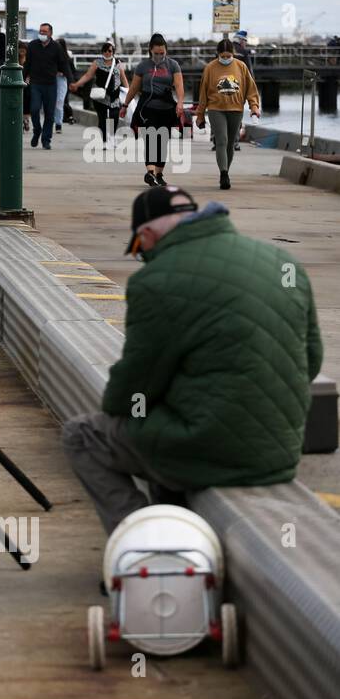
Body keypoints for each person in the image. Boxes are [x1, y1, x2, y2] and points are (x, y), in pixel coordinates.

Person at [62, 185, 322, 534]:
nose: (142, 256)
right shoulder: (283, 262)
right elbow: (312, 360)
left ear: (148, 233)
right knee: (164, 428)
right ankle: (177, 527)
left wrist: (124, 404)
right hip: (280, 454)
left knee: (82, 436)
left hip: (207, 451)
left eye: (139, 248)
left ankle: (144, 541)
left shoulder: (155, 281)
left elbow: (134, 388)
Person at [119, 33, 185, 186]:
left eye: (162, 53)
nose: (159, 56)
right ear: (150, 50)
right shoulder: (143, 66)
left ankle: (159, 174)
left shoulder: (173, 65)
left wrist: (180, 103)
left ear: (166, 51)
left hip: (167, 108)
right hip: (147, 108)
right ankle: (150, 173)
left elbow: (179, 86)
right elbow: (134, 87)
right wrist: (125, 105)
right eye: (156, 53)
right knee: (150, 140)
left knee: (162, 142)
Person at [194, 39, 261, 190]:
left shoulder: (241, 66)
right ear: (218, 54)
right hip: (215, 109)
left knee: (231, 143)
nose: (225, 58)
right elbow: (203, 93)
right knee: (222, 141)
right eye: (222, 56)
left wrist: (254, 107)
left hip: (236, 109)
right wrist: (200, 115)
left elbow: (251, 89)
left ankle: (226, 171)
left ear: (233, 54)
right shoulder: (210, 68)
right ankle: (223, 173)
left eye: (228, 56)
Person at [70, 41, 130, 143]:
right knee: (102, 119)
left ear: (113, 52)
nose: (107, 53)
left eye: (110, 51)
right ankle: (105, 141)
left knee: (114, 117)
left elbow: (123, 78)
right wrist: (76, 84)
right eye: (105, 51)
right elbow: (87, 76)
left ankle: (112, 138)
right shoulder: (97, 63)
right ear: (102, 51)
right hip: (100, 96)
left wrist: (129, 91)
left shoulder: (118, 63)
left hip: (114, 95)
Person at [25, 22, 73, 149]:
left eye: (44, 32)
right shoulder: (32, 45)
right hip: (35, 83)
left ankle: (46, 140)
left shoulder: (56, 47)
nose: (42, 33)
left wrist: (71, 81)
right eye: (40, 31)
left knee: (49, 114)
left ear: (50, 33)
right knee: (34, 109)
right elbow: (27, 64)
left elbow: (64, 64)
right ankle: (37, 131)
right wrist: (23, 78)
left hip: (51, 84)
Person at [54, 37, 76, 133]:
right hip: (50, 80)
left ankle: (59, 123)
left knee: (60, 101)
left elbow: (72, 72)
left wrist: (65, 75)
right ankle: (54, 121)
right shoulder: (51, 56)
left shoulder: (67, 58)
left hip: (63, 80)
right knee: (51, 102)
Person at [18, 42, 31, 131]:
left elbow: (32, 71)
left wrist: (28, 78)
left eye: (24, 49)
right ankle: (22, 121)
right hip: (18, 85)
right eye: (20, 49)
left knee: (27, 103)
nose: (22, 51)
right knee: (19, 103)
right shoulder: (15, 60)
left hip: (28, 85)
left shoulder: (30, 60)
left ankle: (26, 120)